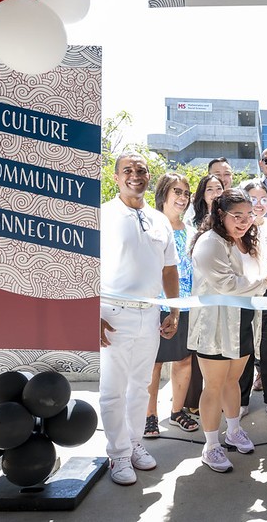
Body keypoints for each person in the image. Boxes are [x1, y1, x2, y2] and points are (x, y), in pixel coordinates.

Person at [100, 152, 180, 486]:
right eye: (128, 170)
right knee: (113, 390)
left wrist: (173, 309)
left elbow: (169, 268)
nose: (136, 175)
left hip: (150, 314)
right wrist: (91, 313)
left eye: (142, 170)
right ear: (116, 177)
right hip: (112, 314)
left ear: (149, 177)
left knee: (140, 386)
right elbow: (84, 266)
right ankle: (117, 455)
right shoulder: (102, 215)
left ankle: (134, 444)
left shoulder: (159, 219)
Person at [188, 189, 267, 472]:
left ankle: (233, 430)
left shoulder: (247, 242)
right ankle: (211, 445)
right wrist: (265, 279)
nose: (244, 221)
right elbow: (227, 285)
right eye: (236, 216)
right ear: (220, 215)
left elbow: (258, 274)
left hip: (243, 320)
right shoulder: (209, 243)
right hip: (215, 325)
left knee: (234, 381)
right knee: (213, 386)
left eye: (249, 215)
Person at [144, 173, 199, 438]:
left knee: (184, 359)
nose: (182, 198)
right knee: (153, 363)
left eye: (186, 193)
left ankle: (177, 411)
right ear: (163, 194)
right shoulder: (150, 225)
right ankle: (149, 416)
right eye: (177, 191)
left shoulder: (192, 230)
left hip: (187, 305)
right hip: (157, 305)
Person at [238, 180, 267, 422]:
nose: (258, 204)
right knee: (244, 345)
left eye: (263, 199)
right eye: (253, 199)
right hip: (245, 293)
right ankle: (242, 399)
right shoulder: (237, 228)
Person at [183, 173, 224, 416]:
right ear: (202, 194)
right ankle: (194, 400)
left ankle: (216, 398)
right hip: (196, 291)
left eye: (219, 188)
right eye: (210, 188)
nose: (215, 192)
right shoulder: (193, 221)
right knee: (198, 347)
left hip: (221, 296)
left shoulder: (229, 220)